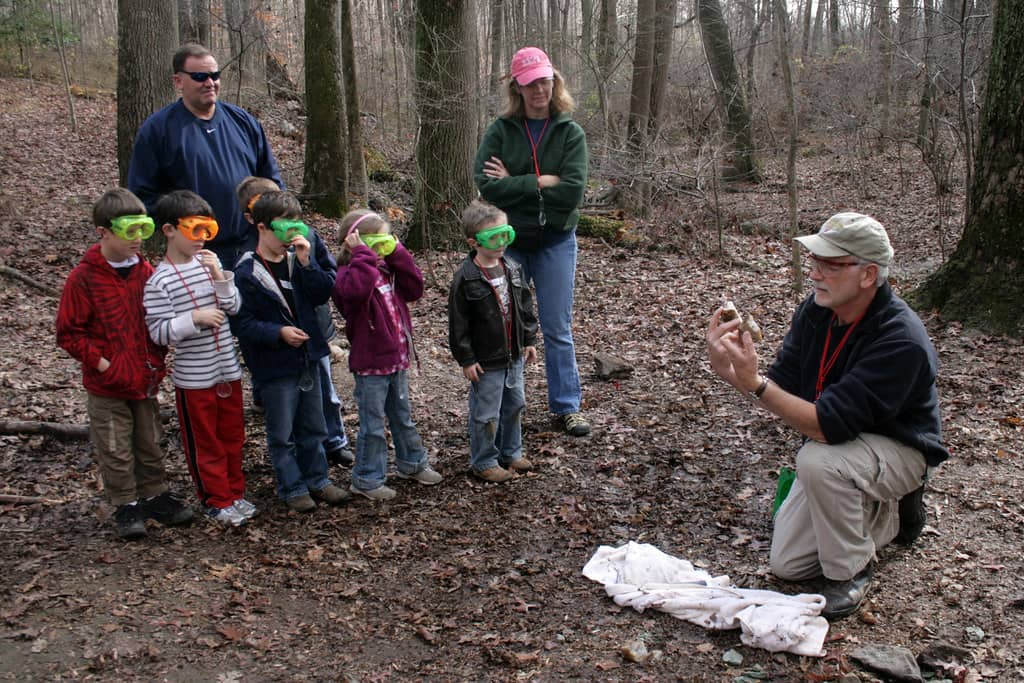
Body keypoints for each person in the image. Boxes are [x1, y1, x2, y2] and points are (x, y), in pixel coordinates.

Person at [706, 212, 949, 619]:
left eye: (831, 264)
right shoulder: (817, 311)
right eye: (814, 261)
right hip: (844, 447)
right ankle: (887, 516)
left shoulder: (901, 339)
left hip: (901, 447)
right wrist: (729, 370)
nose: (815, 272)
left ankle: (851, 572)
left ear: (869, 274)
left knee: (818, 461)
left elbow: (823, 425)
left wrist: (755, 383)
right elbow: (782, 386)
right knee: (789, 565)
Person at [56, 188, 194, 539]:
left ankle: (155, 496)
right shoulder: (83, 278)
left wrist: (156, 360)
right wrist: (104, 365)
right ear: (104, 231)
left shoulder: (146, 272)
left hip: (144, 379)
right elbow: (69, 333)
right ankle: (126, 504)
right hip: (107, 385)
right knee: (115, 444)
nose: (137, 239)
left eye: (142, 229)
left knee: (149, 440)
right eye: (128, 230)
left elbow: (159, 320)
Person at [473, 46, 591, 438]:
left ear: (553, 82)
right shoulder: (501, 130)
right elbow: (487, 185)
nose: (539, 89)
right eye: (530, 84)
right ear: (517, 88)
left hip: (557, 240)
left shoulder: (569, 131)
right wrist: (542, 181)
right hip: (511, 243)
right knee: (509, 325)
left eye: (544, 81)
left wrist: (516, 181)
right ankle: (509, 406)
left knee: (556, 326)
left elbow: (572, 192)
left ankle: (567, 406)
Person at [232, 191, 349, 513]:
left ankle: (318, 480)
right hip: (274, 366)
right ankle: (292, 486)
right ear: (261, 227)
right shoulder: (247, 272)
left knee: (314, 426)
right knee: (282, 433)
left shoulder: (298, 260)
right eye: (282, 227)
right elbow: (242, 324)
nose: (290, 234)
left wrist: (306, 262)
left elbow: (324, 291)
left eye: (295, 225)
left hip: (308, 359)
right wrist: (278, 332)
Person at [143, 190, 253, 527]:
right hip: (194, 379)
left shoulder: (210, 264)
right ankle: (216, 500)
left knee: (232, 436)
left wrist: (220, 277)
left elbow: (234, 306)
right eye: (194, 229)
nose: (202, 238)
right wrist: (195, 319)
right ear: (169, 230)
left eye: (208, 230)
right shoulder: (158, 280)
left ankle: (235, 493)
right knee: (206, 441)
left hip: (227, 371)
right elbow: (159, 332)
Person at [128, 43, 282, 269]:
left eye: (214, 75)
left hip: (253, 244)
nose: (209, 83)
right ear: (178, 81)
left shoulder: (243, 121)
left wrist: (274, 224)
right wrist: (180, 227)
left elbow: (272, 179)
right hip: (196, 252)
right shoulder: (158, 130)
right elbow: (143, 195)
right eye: (200, 76)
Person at [332, 209, 442, 500]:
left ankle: (412, 463)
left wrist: (397, 253)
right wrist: (362, 257)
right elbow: (355, 295)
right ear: (353, 242)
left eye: (385, 241)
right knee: (373, 426)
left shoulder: (388, 269)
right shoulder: (347, 275)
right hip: (370, 365)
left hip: (397, 358)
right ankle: (367, 479)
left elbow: (415, 288)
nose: (380, 248)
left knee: (402, 417)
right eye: (375, 243)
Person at [448, 200, 539, 483]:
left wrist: (529, 339)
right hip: (486, 359)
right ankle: (484, 460)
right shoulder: (466, 278)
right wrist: (467, 358)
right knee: (486, 412)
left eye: (506, 234)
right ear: (474, 242)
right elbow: (458, 323)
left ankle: (511, 452)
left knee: (515, 404)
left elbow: (524, 306)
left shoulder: (512, 267)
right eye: (494, 237)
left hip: (513, 354)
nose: (502, 242)